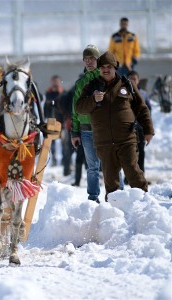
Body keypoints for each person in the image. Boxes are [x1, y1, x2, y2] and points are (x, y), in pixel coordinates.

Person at [76, 51, 154, 200]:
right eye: (103, 67)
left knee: (133, 171)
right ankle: (114, 210)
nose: (105, 70)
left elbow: (141, 108)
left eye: (109, 67)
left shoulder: (127, 84)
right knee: (110, 179)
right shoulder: (92, 86)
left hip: (126, 139)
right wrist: (93, 99)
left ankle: (144, 204)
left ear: (115, 67)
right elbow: (79, 107)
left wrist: (148, 130)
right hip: (104, 143)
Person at [71, 45, 102, 203]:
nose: (89, 62)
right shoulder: (80, 83)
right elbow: (75, 110)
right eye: (86, 59)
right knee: (92, 168)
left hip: (105, 130)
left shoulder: (107, 78)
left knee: (112, 165)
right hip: (86, 131)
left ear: (98, 60)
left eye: (92, 58)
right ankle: (93, 198)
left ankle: (118, 195)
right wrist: (75, 132)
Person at [128, 70, 152, 175]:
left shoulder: (144, 94)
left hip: (140, 127)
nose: (132, 81)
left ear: (138, 80)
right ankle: (129, 176)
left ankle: (141, 174)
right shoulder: (124, 92)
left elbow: (148, 110)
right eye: (130, 79)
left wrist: (147, 127)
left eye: (134, 79)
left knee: (140, 151)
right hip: (127, 127)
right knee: (129, 152)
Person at [44, 75, 64, 166]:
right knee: (51, 141)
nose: (55, 83)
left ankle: (65, 160)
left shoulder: (63, 93)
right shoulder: (48, 93)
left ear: (59, 82)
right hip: (51, 119)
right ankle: (54, 159)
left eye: (57, 81)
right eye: (54, 81)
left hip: (61, 120)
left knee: (64, 141)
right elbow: (45, 107)